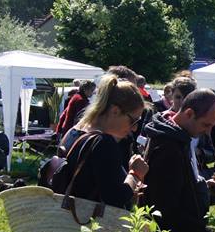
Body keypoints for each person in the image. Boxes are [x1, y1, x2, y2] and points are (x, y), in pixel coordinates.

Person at [142, 89, 215, 232]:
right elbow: (167, 206)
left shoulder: (180, 137)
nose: (207, 132)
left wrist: (200, 185)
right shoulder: (168, 148)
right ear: (189, 113)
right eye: (205, 124)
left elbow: (178, 182)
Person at [59, 75, 148, 210]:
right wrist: (135, 174)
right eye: (134, 120)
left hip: (64, 218)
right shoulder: (103, 143)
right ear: (115, 111)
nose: (135, 128)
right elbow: (115, 198)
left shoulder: (74, 131)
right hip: (86, 225)